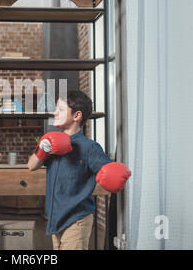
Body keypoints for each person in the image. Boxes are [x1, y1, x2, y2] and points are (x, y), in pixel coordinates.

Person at [27, 90, 131, 250]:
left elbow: (108, 170)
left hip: (77, 219)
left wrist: (111, 173)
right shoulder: (52, 142)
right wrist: (42, 149)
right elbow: (31, 165)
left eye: (61, 110)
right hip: (56, 219)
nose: (55, 113)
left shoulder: (90, 147)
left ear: (77, 116)